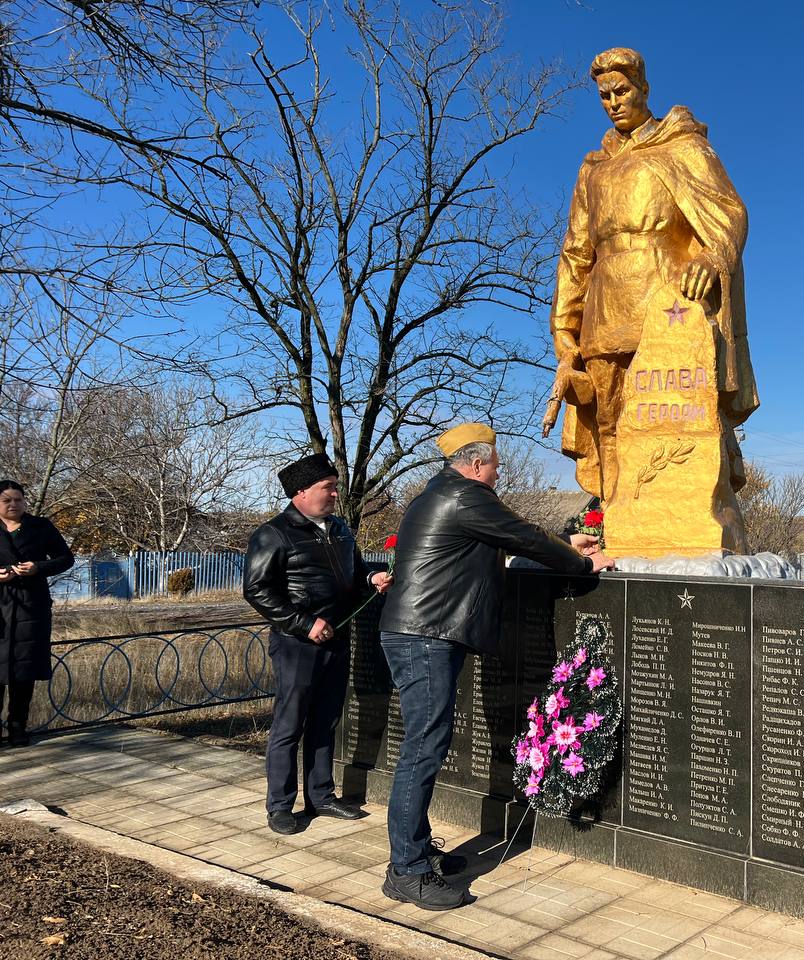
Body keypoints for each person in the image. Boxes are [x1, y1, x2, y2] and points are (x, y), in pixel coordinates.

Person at [377, 423, 614, 911]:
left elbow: (513, 537)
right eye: (497, 464)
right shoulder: (466, 496)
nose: (499, 472)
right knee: (423, 749)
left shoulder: (440, 493)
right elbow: (522, 535)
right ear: (477, 464)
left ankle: (414, 854)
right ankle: (407, 872)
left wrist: (570, 544)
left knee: (425, 745)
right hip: (427, 635)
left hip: (424, 631)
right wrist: (582, 564)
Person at [544, 46, 758, 504]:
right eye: (604, 95)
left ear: (643, 88)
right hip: (604, 313)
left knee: (677, 418)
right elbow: (576, 254)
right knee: (609, 421)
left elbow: (728, 212)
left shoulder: (682, 146)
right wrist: (565, 335)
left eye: (621, 90)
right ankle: (622, 517)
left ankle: (680, 513)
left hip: (668, 306)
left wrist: (711, 255)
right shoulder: (593, 169)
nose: (613, 102)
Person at [243, 453, 393, 835]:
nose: (335, 493)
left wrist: (372, 577)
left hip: (338, 640)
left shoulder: (340, 528)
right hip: (297, 645)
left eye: (335, 486)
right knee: (289, 725)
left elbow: (354, 573)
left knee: (326, 721)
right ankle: (279, 806)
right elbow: (257, 589)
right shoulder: (273, 533)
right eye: (328, 487)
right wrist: (305, 624)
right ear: (301, 492)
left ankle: (321, 796)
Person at [0, 481, 74, 747]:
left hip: (31, 607)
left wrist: (38, 567)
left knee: (24, 671)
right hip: (1, 606)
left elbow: (66, 558)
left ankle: (18, 728)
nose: (13, 504)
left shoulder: (40, 526)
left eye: (18, 499)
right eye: (7, 500)